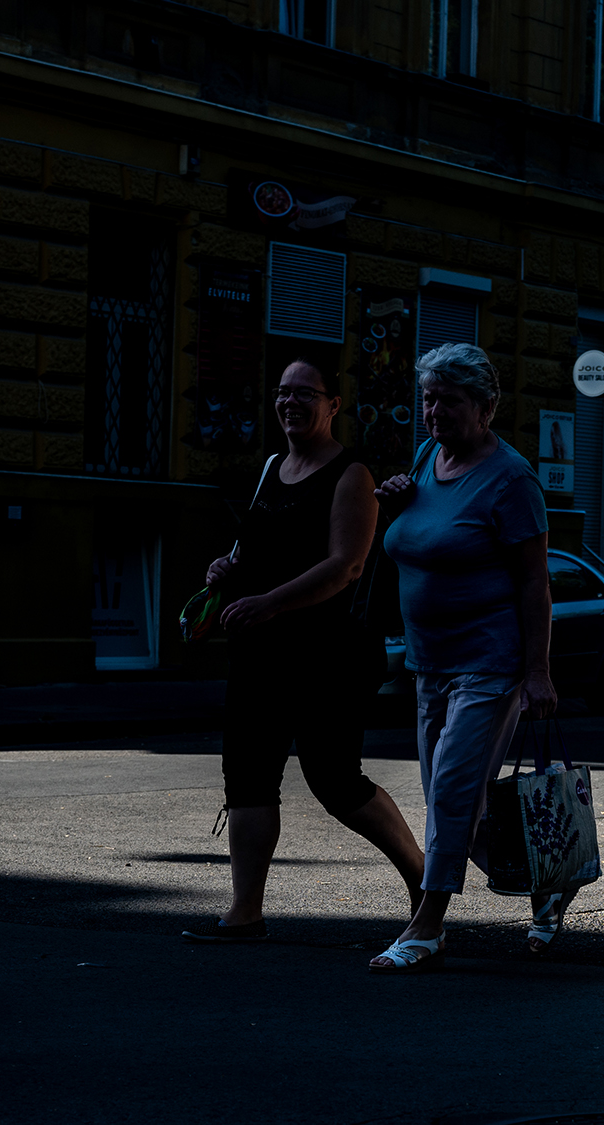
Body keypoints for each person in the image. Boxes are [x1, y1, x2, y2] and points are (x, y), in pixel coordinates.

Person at [182, 359, 424, 944]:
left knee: (334, 780)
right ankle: (244, 912)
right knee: (247, 775)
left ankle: (423, 880)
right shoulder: (272, 467)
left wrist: (269, 602)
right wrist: (229, 568)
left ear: (333, 404)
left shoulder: (351, 475)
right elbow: (255, 548)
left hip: (329, 655)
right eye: (282, 392)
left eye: (305, 394)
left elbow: (346, 567)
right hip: (260, 653)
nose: (290, 403)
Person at [368, 343, 556, 971]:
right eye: (428, 399)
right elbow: (414, 542)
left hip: (489, 662)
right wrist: (394, 504)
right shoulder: (426, 460)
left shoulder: (512, 479)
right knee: (456, 804)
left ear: (487, 407)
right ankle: (548, 882)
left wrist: (537, 673)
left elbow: (535, 583)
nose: (434, 411)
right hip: (430, 662)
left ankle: (427, 925)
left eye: (449, 399)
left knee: (450, 791)